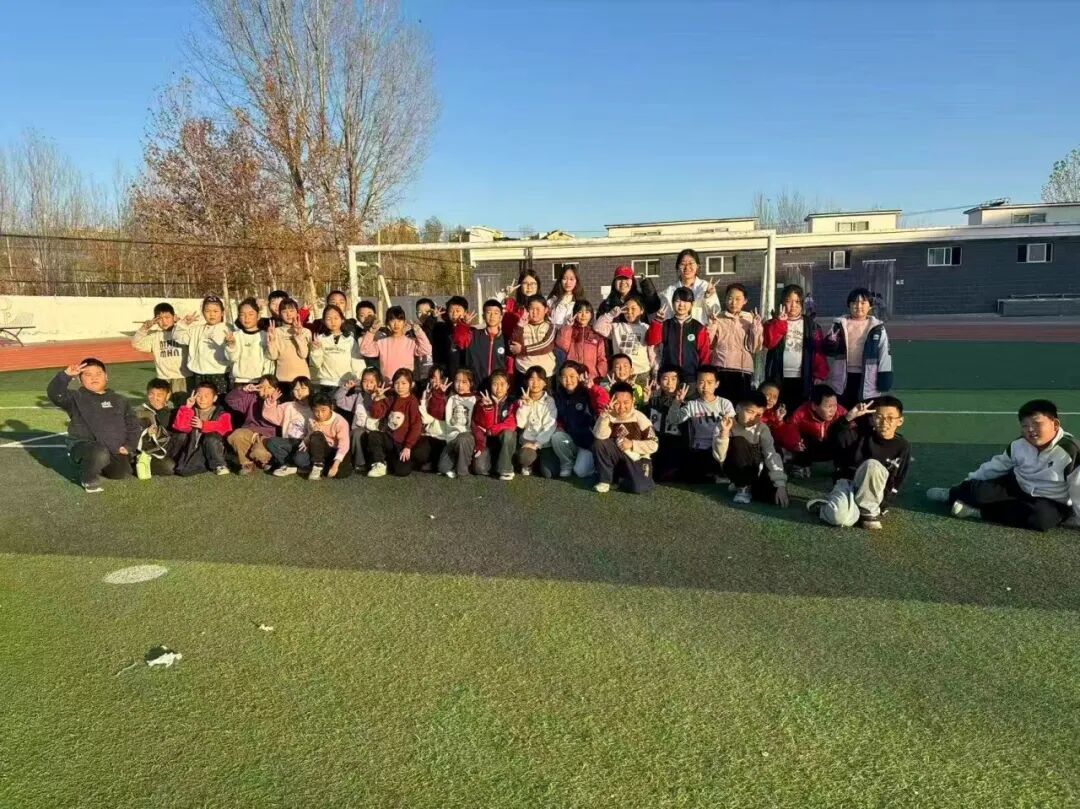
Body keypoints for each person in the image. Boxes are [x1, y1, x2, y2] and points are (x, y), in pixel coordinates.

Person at [926, 399, 1080, 532]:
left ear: (1055, 424)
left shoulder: (1072, 451)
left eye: (1036, 423)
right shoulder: (1019, 444)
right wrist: (967, 483)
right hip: (1017, 485)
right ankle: (951, 494)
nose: (1030, 430)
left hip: (1050, 499)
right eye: (1025, 425)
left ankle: (977, 512)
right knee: (976, 490)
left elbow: (1077, 487)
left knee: (1040, 520)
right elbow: (997, 465)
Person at [808, 396, 910, 530]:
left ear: (900, 421)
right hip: (850, 484)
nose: (884, 422)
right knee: (840, 519)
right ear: (872, 419)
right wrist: (848, 417)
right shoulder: (859, 435)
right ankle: (824, 507)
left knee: (873, 466)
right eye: (879, 417)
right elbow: (834, 436)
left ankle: (868, 512)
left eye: (890, 418)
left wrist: (884, 504)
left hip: (875, 492)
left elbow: (897, 478)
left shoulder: (902, 446)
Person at [47, 358, 142, 492]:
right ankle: (88, 477)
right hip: (85, 447)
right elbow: (55, 394)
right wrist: (65, 375)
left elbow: (133, 425)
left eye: (98, 373)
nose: (94, 377)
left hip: (113, 450)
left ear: (106, 376)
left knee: (121, 473)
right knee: (99, 452)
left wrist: (129, 446)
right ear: (80, 379)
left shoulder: (120, 400)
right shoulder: (75, 397)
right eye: (88, 374)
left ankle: (98, 466)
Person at [712, 391, 789, 507]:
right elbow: (720, 457)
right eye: (750, 412)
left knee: (772, 497)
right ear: (738, 408)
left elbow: (771, 455)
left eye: (759, 414)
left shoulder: (762, 428)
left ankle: (749, 485)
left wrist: (780, 485)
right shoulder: (725, 424)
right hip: (733, 467)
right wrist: (724, 433)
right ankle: (742, 486)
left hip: (755, 468)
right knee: (739, 441)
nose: (753, 418)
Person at [823, 288, 894, 408]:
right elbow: (828, 351)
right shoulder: (839, 325)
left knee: (865, 413)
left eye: (863, 303)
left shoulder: (878, 328)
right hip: (842, 377)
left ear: (870, 306)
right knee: (843, 412)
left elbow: (884, 354)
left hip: (868, 378)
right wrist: (830, 343)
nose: (858, 306)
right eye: (854, 302)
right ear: (849, 305)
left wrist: (885, 377)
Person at [762, 284, 828, 411]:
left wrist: (820, 374)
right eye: (789, 301)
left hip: (803, 378)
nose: (793, 305)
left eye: (797, 301)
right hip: (778, 377)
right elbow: (770, 343)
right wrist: (780, 323)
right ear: (782, 303)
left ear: (802, 304)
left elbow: (818, 350)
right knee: (777, 412)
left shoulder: (812, 326)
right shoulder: (773, 322)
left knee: (800, 411)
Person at [667, 364, 735, 483]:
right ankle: (713, 476)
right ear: (696, 384)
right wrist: (677, 402)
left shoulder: (725, 404)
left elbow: (732, 425)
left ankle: (718, 473)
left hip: (721, 447)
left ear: (717, 384)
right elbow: (674, 420)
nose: (705, 387)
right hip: (700, 449)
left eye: (710, 383)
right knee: (689, 475)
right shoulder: (692, 405)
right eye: (701, 382)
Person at [592, 382, 659, 494]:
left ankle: (623, 479)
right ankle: (605, 480)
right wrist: (605, 416)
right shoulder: (608, 415)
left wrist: (632, 444)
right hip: (617, 456)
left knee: (640, 488)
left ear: (633, 401)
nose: (622, 407)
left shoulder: (640, 418)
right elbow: (599, 436)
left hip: (637, 459)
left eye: (626, 402)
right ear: (611, 401)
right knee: (599, 443)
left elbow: (654, 444)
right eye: (617, 403)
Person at [365, 368, 430, 477]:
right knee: (374, 435)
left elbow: (416, 426)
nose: (400, 386)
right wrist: (376, 400)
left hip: (403, 443)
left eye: (404, 383)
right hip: (390, 439)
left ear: (411, 384)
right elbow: (377, 414)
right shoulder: (391, 398)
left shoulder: (412, 401)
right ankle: (380, 464)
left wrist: (408, 446)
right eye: (397, 383)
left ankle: (395, 463)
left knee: (401, 471)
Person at [551, 361, 610, 479]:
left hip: (587, 444)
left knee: (580, 472)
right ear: (560, 379)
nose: (568, 380)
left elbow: (603, 402)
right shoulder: (558, 396)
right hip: (571, 441)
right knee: (557, 437)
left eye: (572, 376)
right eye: (564, 377)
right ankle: (567, 463)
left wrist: (592, 388)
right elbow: (557, 416)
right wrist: (560, 426)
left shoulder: (588, 392)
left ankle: (591, 463)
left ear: (579, 377)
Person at [706, 283, 763, 404]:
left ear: (745, 301)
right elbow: (708, 344)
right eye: (730, 298)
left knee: (740, 406)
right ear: (725, 299)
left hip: (742, 370)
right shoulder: (718, 317)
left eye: (738, 299)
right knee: (721, 404)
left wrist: (756, 327)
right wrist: (712, 325)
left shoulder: (750, 318)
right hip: (721, 368)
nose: (733, 302)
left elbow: (755, 347)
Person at [645, 286, 711, 381]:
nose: (681, 305)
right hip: (669, 377)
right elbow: (651, 341)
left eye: (685, 301)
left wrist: (703, 376)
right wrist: (657, 321)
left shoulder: (698, 327)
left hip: (692, 377)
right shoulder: (665, 325)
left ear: (692, 304)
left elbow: (704, 354)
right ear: (672, 303)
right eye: (677, 301)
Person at [169, 382, 233, 477]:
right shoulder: (190, 410)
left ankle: (219, 465)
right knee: (181, 435)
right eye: (199, 396)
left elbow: (225, 428)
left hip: (213, 448)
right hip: (193, 446)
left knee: (211, 437)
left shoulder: (222, 413)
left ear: (214, 398)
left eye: (206, 396)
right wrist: (187, 407)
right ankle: (178, 458)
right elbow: (180, 427)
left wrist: (203, 425)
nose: (202, 399)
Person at [173, 295, 232, 394]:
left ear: (222, 312)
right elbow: (178, 337)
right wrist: (183, 324)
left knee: (220, 402)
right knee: (200, 401)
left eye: (215, 311)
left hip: (220, 375)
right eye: (207, 311)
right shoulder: (196, 330)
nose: (211, 314)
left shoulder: (228, 329)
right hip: (199, 375)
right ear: (203, 313)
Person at [786, 384, 847, 478]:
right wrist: (795, 443)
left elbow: (852, 428)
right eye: (829, 406)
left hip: (830, 447)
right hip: (810, 448)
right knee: (799, 440)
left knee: (844, 433)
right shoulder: (801, 413)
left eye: (835, 405)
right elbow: (791, 428)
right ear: (814, 406)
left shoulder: (840, 411)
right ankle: (800, 466)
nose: (833, 410)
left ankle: (840, 467)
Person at [427, 368, 479, 478]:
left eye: (464, 382)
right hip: (451, 439)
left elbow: (479, 423)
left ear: (471, 384)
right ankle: (457, 462)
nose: (460, 385)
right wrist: (439, 395)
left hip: (467, 437)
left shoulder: (476, 399)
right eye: (457, 381)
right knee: (442, 468)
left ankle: (462, 472)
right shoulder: (450, 398)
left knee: (462, 439)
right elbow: (437, 414)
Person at [360, 305, 433, 382]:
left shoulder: (411, 342)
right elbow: (364, 350)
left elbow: (427, 349)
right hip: (387, 384)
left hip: (406, 384)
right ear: (387, 323)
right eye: (392, 321)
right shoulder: (382, 343)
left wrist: (419, 331)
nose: (396, 324)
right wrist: (371, 331)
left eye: (399, 321)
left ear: (404, 322)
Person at [225, 374, 280, 474]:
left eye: (269, 387)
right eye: (262, 387)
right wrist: (243, 390)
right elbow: (229, 400)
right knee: (236, 435)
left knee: (259, 453)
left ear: (276, 390)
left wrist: (271, 403)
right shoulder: (251, 398)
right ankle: (247, 464)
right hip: (250, 433)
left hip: (267, 437)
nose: (265, 390)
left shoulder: (280, 403)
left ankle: (265, 460)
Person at [132, 302, 189, 395]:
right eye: (159, 319)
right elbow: (136, 344)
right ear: (155, 320)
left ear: (174, 317)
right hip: (163, 378)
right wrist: (144, 328)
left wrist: (182, 324)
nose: (164, 321)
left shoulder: (183, 333)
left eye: (167, 317)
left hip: (183, 377)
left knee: (182, 402)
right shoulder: (155, 337)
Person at [594, 294, 653, 386]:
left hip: (641, 373)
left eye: (633, 309)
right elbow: (597, 327)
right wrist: (611, 315)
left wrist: (654, 369)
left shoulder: (646, 328)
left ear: (641, 310)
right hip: (620, 373)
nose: (629, 312)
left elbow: (652, 351)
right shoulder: (617, 327)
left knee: (640, 395)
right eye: (626, 309)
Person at [454, 298, 513, 388]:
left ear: (501, 317)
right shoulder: (473, 335)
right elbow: (459, 341)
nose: (492, 316)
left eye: (496, 313)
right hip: (476, 388)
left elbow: (510, 366)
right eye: (489, 312)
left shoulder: (506, 339)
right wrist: (464, 325)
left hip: (498, 389)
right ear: (483, 316)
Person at [334, 367, 382, 474]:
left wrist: (378, 399)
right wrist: (345, 388)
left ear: (379, 383)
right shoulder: (358, 397)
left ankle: (377, 462)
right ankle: (360, 463)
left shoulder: (383, 398)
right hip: (358, 432)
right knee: (357, 433)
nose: (368, 385)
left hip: (375, 434)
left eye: (372, 382)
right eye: (365, 381)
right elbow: (338, 400)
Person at [473, 370, 519, 480]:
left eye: (502, 384)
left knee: (509, 433)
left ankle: (506, 469)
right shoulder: (482, 401)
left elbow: (511, 425)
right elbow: (481, 424)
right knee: (480, 469)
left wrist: (491, 430)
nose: (499, 388)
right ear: (490, 386)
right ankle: (496, 464)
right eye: (495, 384)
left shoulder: (513, 402)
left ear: (508, 386)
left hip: (504, 440)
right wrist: (488, 408)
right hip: (487, 441)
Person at [264, 377, 315, 475]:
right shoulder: (288, 406)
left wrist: (308, 441)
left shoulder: (314, 408)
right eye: (296, 389)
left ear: (310, 390)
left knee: (300, 460)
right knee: (272, 442)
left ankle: (291, 464)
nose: (299, 392)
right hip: (289, 441)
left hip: (305, 444)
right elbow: (270, 415)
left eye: (303, 388)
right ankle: (287, 464)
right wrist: (271, 402)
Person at [642, 365, 684, 482]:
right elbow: (644, 420)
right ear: (659, 381)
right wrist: (646, 401)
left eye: (674, 379)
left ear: (679, 381)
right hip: (656, 441)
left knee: (669, 474)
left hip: (674, 443)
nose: (669, 383)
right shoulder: (654, 400)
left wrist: (678, 403)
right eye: (665, 378)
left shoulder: (684, 402)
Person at [515, 366, 558, 477]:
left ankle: (538, 461)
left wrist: (537, 444)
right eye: (531, 379)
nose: (535, 383)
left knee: (549, 473)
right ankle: (529, 463)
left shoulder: (549, 401)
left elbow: (550, 426)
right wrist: (525, 406)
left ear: (545, 383)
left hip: (544, 443)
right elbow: (520, 424)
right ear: (526, 382)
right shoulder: (522, 400)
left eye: (539, 379)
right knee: (524, 457)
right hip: (526, 442)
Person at [310, 304, 363, 391]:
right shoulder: (320, 339)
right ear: (323, 321)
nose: (332, 322)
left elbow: (357, 362)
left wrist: (359, 379)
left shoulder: (349, 339)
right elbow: (316, 364)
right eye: (328, 319)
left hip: (346, 384)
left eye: (336, 318)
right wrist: (316, 350)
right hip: (326, 383)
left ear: (342, 320)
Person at [659, 248, 721, 322]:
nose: (687, 267)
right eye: (683, 264)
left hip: (701, 328)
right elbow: (665, 318)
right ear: (678, 267)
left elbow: (715, 312)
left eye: (691, 263)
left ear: (697, 266)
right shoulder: (669, 291)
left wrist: (709, 297)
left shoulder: (705, 287)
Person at [555, 300, 608, 383]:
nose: (583, 315)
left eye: (587, 312)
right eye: (580, 312)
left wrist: (599, 374)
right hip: (573, 375)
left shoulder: (596, 333)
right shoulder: (570, 330)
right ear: (575, 314)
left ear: (591, 314)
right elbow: (562, 345)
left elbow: (601, 358)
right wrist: (568, 326)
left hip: (592, 377)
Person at [302, 393, 352, 480]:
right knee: (316, 435)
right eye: (316, 410)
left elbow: (344, 445)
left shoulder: (340, 421)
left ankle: (324, 467)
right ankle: (317, 466)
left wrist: (335, 465)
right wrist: (309, 436)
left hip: (336, 450)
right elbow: (311, 437)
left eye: (323, 410)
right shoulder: (312, 419)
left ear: (331, 407)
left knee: (341, 473)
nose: (319, 414)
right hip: (320, 451)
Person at [226, 298, 273, 387]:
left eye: (251, 314)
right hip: (240, 381)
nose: (247, 318)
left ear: (258, 316)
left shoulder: (265, 335)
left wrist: (265, 379)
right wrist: (231, 345)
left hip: (260, 381)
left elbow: (269, 360)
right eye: (242, 314)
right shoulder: (235, 336)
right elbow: (232, 358)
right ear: (239, 317)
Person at [135, 378, 176, 478]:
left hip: (167, 449)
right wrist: (146, 433)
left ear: (168, 395)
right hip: (149, 451)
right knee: (169, 467)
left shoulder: (173, 411)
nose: (155, 398)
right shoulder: (141, 412)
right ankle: (138, 462)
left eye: (159, 395)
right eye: (151, 394)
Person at [509, 295, 557, 382]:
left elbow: (546, 345)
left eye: (538, 309)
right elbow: (514, 346)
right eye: (531, 309)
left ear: (546, 310)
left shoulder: (550, 326)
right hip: (524, 370)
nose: (534, 312)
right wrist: (520, 326)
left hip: (546, 371)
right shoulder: (521, 326)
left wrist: (522, 350)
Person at [267, 298, 312, 387]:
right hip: (282, 378)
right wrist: (271, 341)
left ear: (297, 312)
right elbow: (273, 356)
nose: (288, 314)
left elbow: (304, 354)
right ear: (280, 314)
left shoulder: (305, 331)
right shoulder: (276, 331)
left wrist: (298, 335)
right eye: (284, 311)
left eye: (291, 311)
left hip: (302, 379)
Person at [596, 265, 661, 317]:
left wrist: (646, 285)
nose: (623, 282)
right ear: (614, 282)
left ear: (633, 282)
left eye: (626, 278)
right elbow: (599, 322)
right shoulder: (607, 304)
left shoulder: (641, 300)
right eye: (619, 279)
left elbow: (654, 306)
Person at [429, 295, 469, 376]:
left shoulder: (471, 331)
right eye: (451, 311)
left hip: (463, 376)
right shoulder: (440, 329)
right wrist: (433, 318)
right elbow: (428, 334)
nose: (454, 314)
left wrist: (463, 325)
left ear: (465, 312)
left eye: (458, 311)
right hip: (444, 375)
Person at [500, 270, 543, 335]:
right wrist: (505, 294)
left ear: (538, 286)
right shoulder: (511, 305)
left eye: (533, 283)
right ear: (520, 286)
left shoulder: (544, 306)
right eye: (525, 283)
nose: (529, 287)